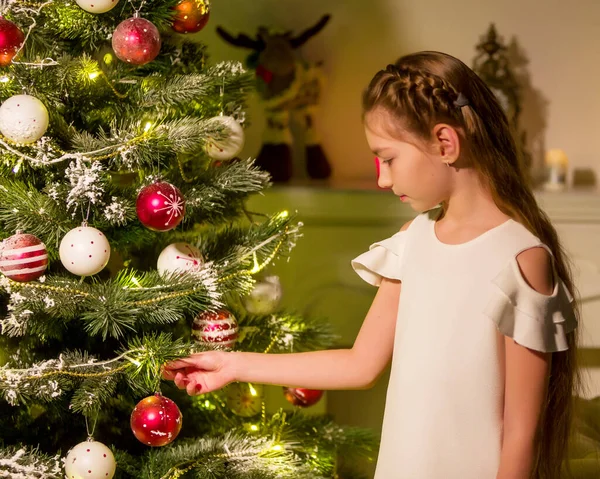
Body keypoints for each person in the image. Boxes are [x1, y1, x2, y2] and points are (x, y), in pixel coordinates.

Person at [163, 51, 581, 479]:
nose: (382, 179)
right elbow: (359, 364)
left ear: (445, 143)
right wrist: (233, 365)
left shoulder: (520, 259)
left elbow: (520, 436)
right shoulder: (411, 242)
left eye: (389, 158)